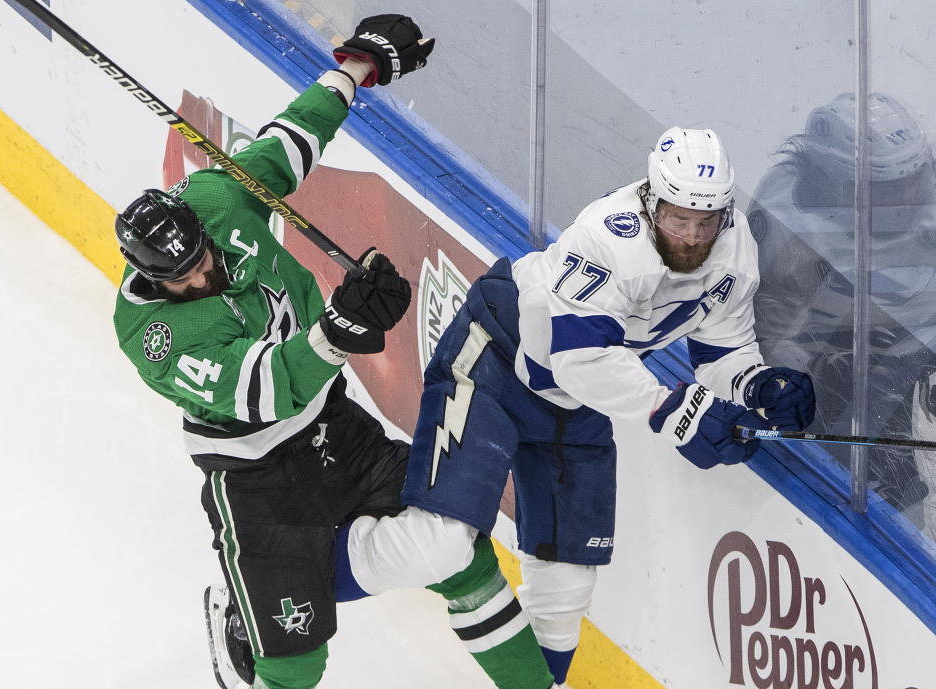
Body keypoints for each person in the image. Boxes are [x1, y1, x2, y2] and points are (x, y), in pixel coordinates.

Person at [113, 15, 557, 689]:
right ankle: (257, 603)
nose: (205, 275)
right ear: (153, 279)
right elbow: (266, 388)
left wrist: (353, 69)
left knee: (459, 545)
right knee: (295, 667)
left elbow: (288, 143)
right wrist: (339, 327)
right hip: (256, 478)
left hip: (335, 430)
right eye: (186, 280)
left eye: (202, 257)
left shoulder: (212, 199)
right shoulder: (155, 337)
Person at [375, 127, 818, 686]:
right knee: (437, 543)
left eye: (706, 222)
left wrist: (758, 385)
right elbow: (580, 358)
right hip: (499, 361)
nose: (692, 236)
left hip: (576, 405)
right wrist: (676, 412)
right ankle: (299, 581)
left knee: (566, 589)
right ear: (651, 199)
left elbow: (724, 350)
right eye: (679, 219)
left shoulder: (735, 252)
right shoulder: (609, 236)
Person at [747, 92, 936, 536]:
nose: (909, 195)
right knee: (857, 464)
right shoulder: (790, 221)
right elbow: (771, 332)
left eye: (916, 177)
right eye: (889, 189)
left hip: (918, 337)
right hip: (834, 349)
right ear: (838, 183)